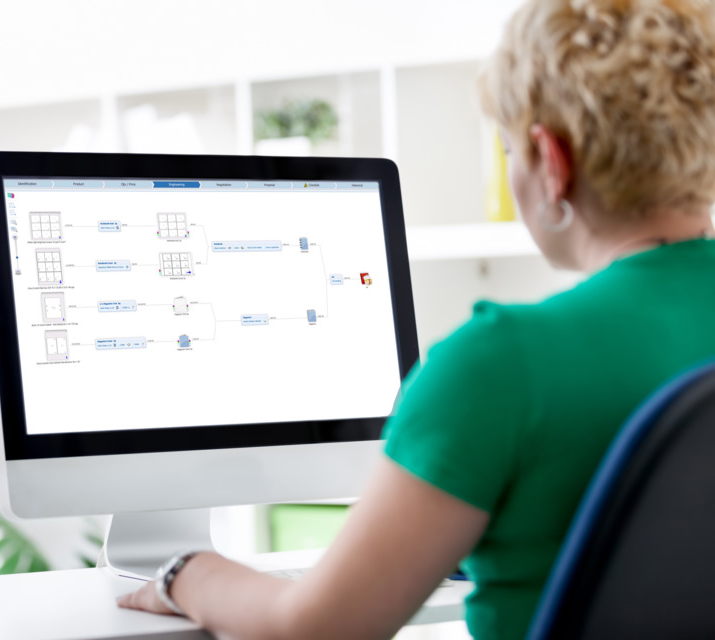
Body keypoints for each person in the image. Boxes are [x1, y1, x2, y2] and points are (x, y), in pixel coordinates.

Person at [118, 1, 715, 637]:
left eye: (509, 147)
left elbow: (316, 627)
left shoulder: (502, 363)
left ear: (551, 161)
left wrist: (187, 573)